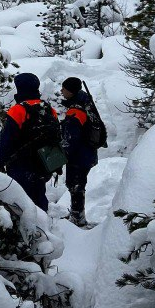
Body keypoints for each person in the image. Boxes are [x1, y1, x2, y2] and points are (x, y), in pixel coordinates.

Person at [0, 72, 61, 212]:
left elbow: (7, 139)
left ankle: (26, 230)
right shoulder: (49, 109)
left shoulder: (18, 110)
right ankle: (44, 228)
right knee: (39, 195)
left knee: (21, 202)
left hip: (21, 165)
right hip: (44, 162)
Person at [60, 76, 99, 227]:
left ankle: (77, 218)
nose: (61, 91)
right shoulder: (86, 103)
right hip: (88, 152)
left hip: (79, 156)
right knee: (78, 184)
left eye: (64, 88)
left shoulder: (76, 111)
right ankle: (77, 215)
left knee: (75, 185)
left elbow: (71, 139)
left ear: (71, 91)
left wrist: (63, 155)